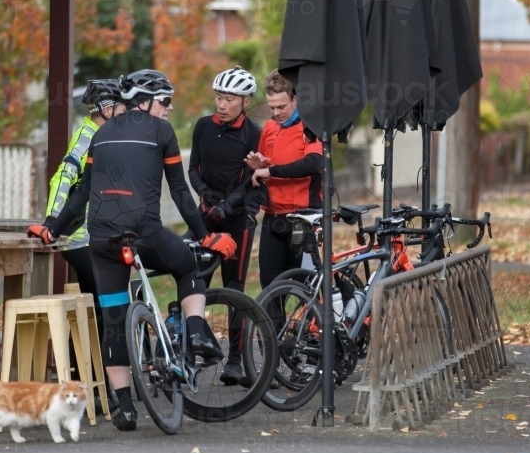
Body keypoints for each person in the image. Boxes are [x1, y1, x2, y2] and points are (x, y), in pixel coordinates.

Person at [27, 69, 237, 432]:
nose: (170, 109)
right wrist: (205, 236)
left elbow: (81, 194)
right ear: (146, 101)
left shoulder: (101, 134)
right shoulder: (161, 133)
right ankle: (198, 331)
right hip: (145, 233)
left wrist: (53, 228)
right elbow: (181, 193)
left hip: (102, 239)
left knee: (112, 319)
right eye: (166, 101)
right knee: (187, 266)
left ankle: (124, 409)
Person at [188, 67, 262, 386]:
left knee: (234, 290)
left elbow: (251, 179)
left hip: (237, 217)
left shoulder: (254, 134)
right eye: (219, 97)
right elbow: (193, 169)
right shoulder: (204, 126)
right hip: (206, 213)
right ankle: (195, 350)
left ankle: (235, 362)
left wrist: (228, 205)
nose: (222, 104)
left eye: (229, 99)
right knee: (191, 282)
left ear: (245, 101)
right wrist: (205, 196)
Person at [41, 79, 126, 335]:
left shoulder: (104, 136)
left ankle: (90, 368)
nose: (126, 115)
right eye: (123, 110)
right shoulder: (86, 137)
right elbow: (62, 176)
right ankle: (95, 369)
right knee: (107, 308)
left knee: (106, 307)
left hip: (98, 238)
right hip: (81, 240)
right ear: (107, 109)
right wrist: (52, 219)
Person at [245, 70, 323, 288]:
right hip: (273, 217)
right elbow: (265, 167)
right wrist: (259, 166)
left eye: (281, 106)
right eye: (271, 107)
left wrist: (271, 171)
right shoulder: (270, 127)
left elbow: (314, 163)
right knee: (269, 286)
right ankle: (276, 325)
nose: (276, 112)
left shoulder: (310, 126)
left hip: (305, 217)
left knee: (307, 286)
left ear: (295, 98)